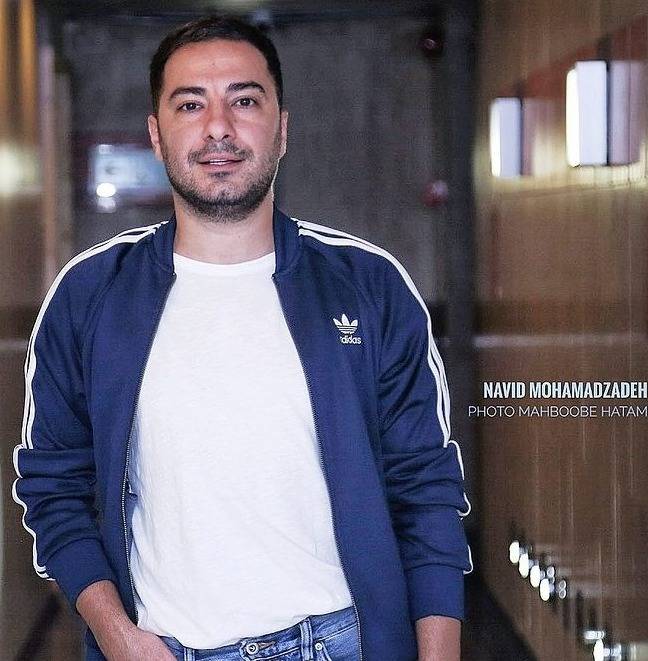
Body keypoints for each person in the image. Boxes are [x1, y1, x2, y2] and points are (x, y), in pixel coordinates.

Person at [12, 15, 472, 661]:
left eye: (245, 101)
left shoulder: (369, 286)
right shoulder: (90, 296)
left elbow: (425, 491)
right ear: (156, 134)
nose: (218, 127)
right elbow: (53, 487)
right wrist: (118, 636)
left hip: (342, 643)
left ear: (282, 129)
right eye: (190, 104)